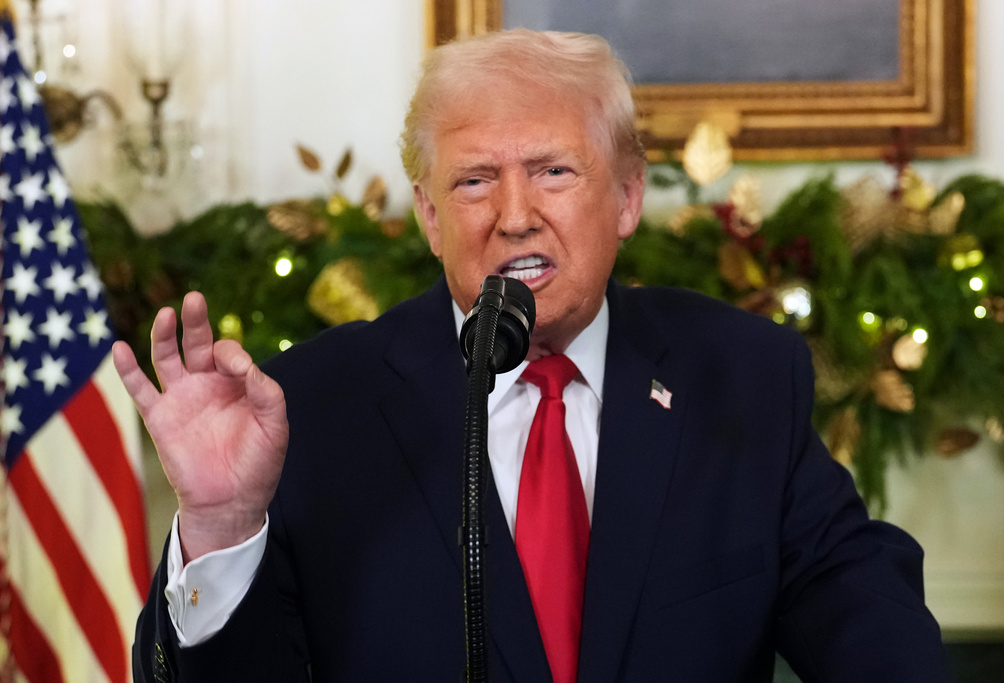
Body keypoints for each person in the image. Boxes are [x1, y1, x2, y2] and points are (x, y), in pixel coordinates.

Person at [119, 29, 952, 682]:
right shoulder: (313, 404)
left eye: (553, 170)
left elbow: (859, 610)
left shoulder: (741, 373)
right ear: (430, 215)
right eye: (475, 181)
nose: (513, 216)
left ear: (627, 196)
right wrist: (223, 527)